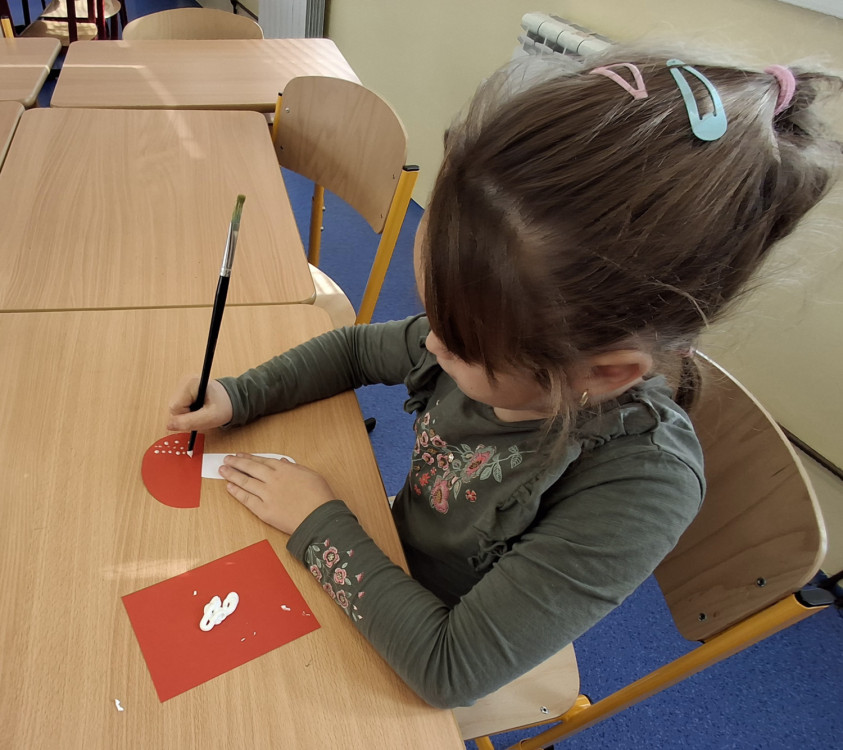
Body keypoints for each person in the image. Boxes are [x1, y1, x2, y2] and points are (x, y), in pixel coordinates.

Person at [167, 49, 841, 709]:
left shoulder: (639, 489)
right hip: (384, 556)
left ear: (604, 372)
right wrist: (238, 394)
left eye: (459, 344)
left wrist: (318, 523)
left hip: (435, 637)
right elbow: (353, 351)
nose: (431, 344)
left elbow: (448, 670)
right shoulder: (502, 334)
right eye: (434, 314)